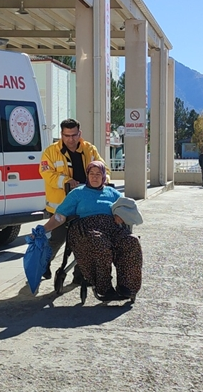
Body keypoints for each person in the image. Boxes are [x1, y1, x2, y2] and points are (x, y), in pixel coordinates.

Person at [42, 160, 141, 301]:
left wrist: (121, 215)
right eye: (91, 174)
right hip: (86, 229)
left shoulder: (112, 192)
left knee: (131, 241)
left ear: (103, 176)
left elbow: (127, 208)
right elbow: (60, 216)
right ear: (87, 176)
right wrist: (44, 229)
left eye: (98, 174)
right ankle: (104, 288)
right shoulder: (77, 193)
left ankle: (127, 287)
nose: (94, 177)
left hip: (111, 229)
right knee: (99, 243)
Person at [39, 118, 103, 278]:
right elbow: (46, 174)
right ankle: (42, 265)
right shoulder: (50, 152)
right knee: (56, 240)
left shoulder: (89, 149)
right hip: (60, 207)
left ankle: (80, 275)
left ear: (79, 133)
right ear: (61, 134)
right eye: (67, 135)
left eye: (74, 135)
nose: (71, 139)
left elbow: (103, 168)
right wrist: (66, 181)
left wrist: (104, 178)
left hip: (84, 207)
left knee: (83, 241)